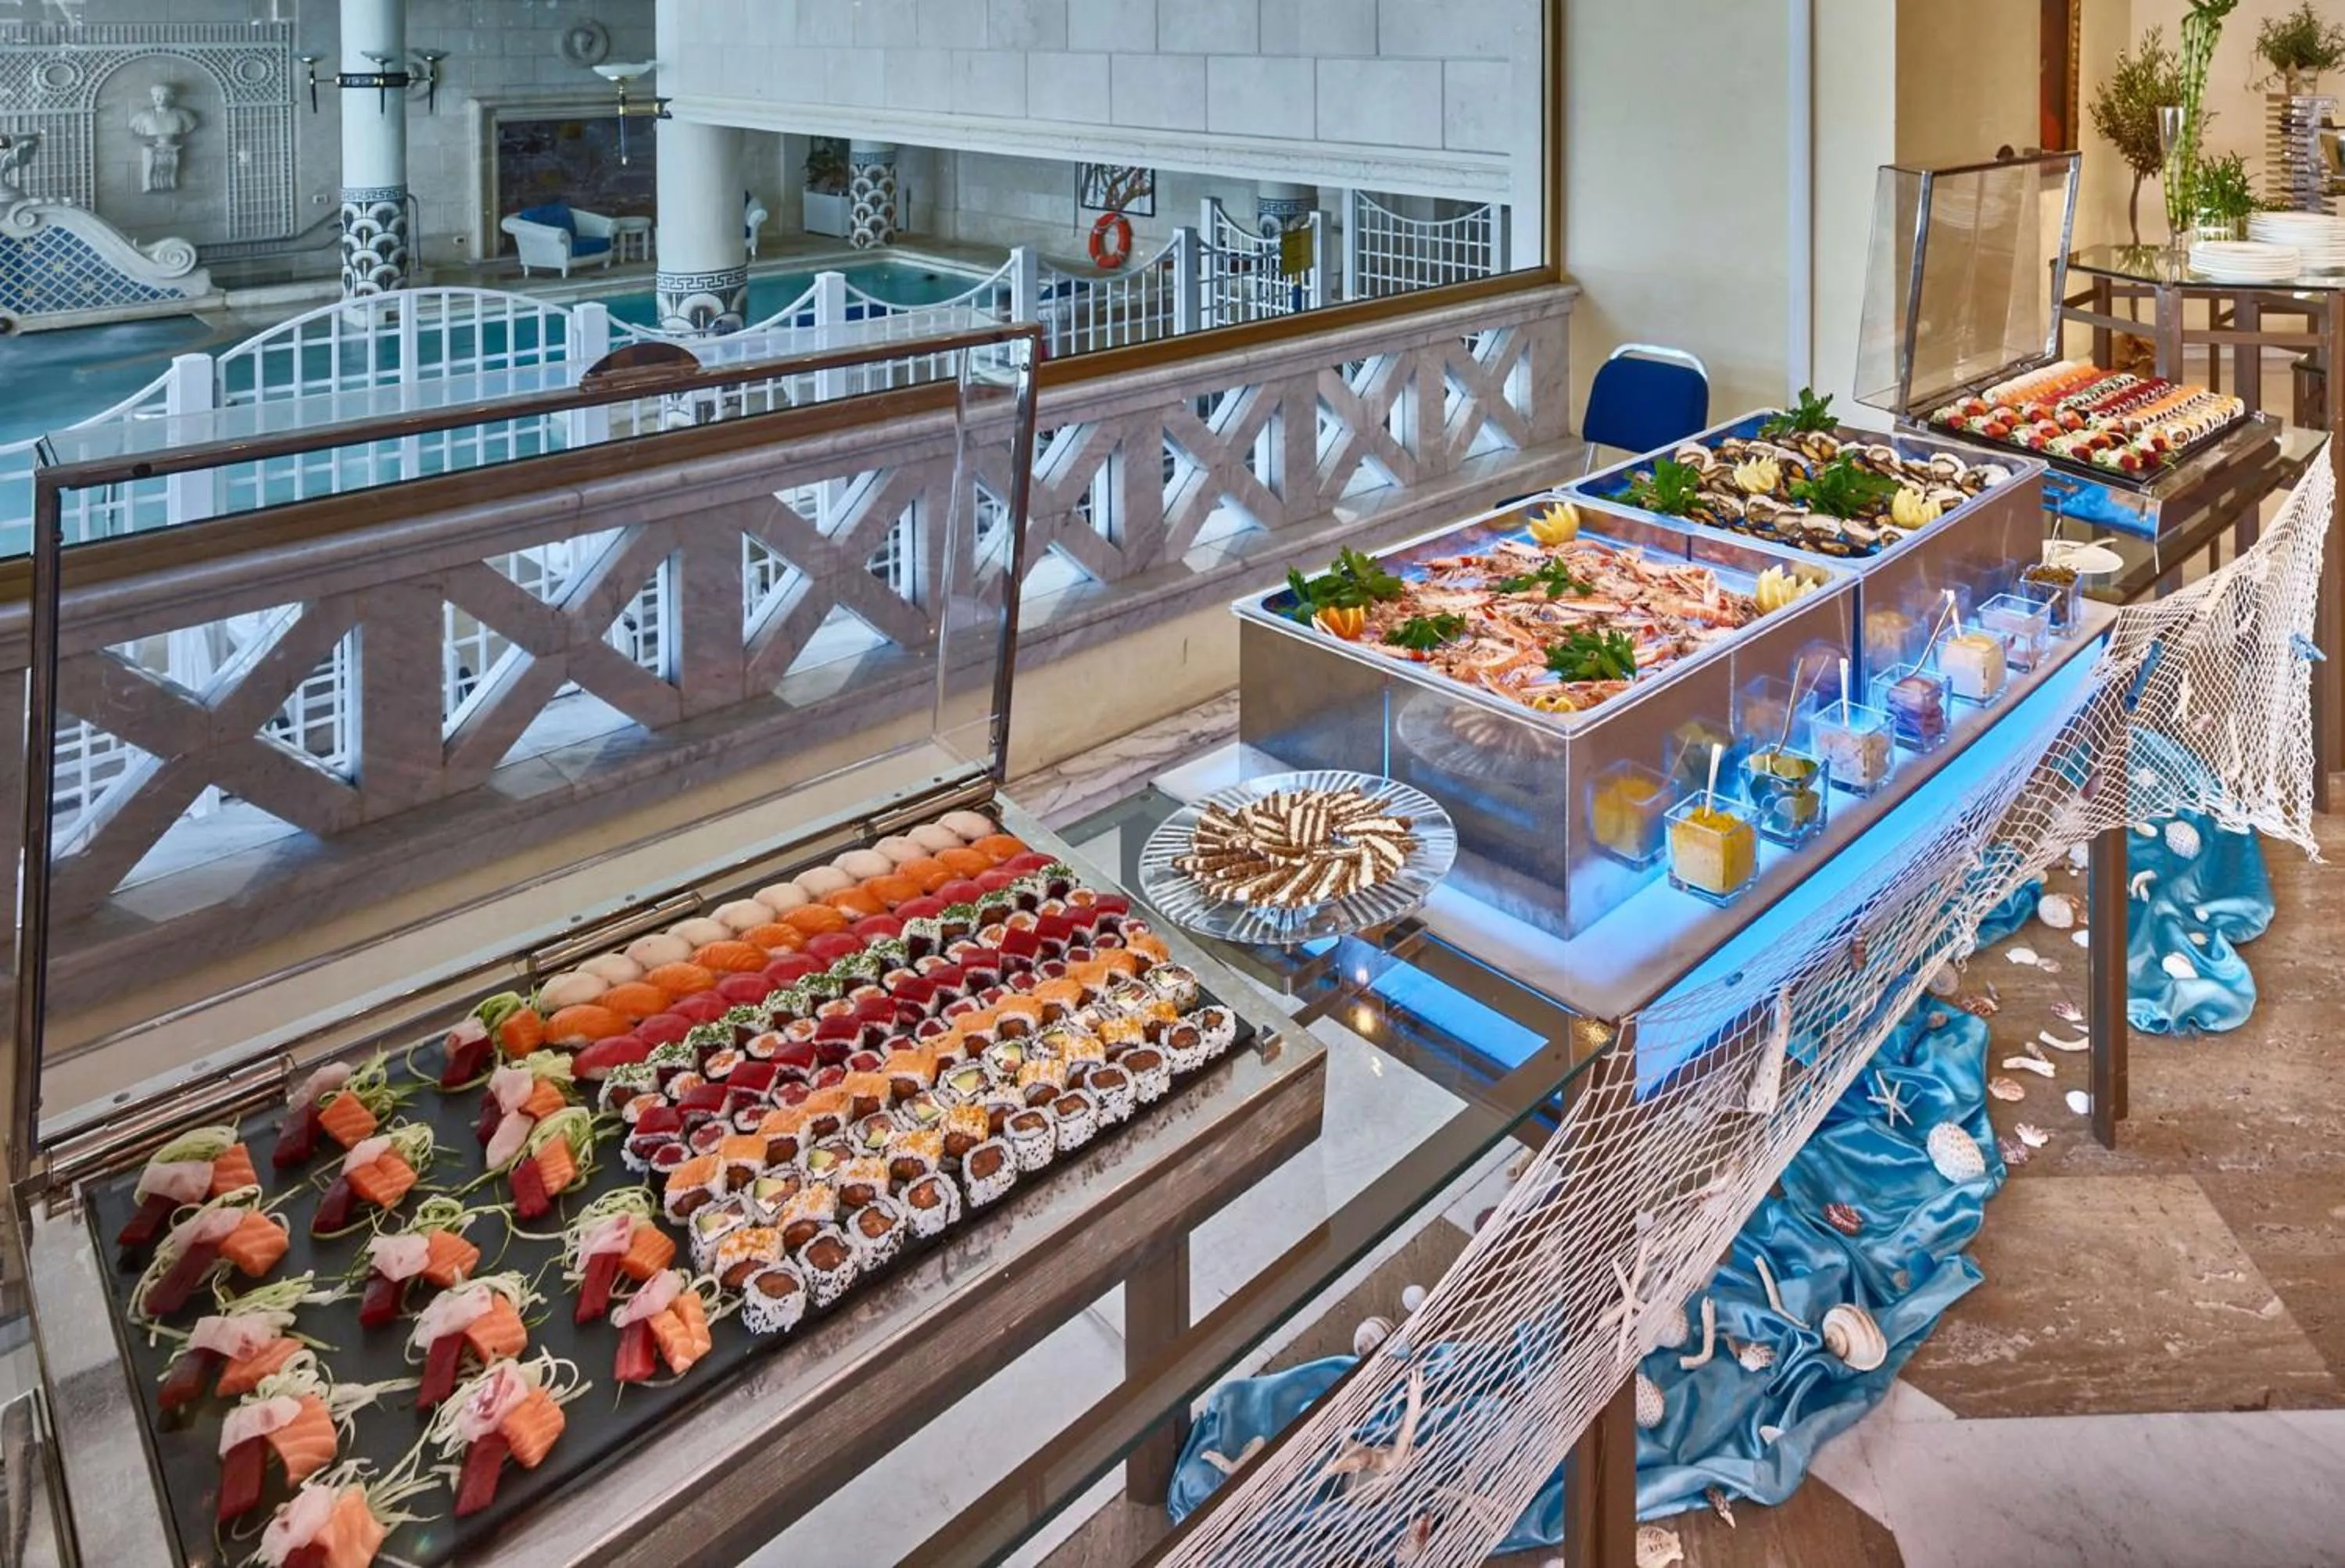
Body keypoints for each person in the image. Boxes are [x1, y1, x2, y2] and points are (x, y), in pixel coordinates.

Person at [131, 83, 199, 193]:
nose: (158, 98)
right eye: (155, 95)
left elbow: (190, 124)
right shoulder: (142, 117)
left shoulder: (184, 116)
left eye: (163, 95)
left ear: (171, 97)